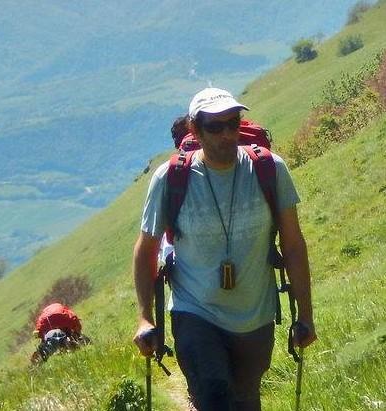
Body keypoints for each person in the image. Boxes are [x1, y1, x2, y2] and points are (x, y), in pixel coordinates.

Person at [132, 87, 317, 410]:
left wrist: (306, 315)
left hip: (254, 318)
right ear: (195, 130)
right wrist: (145, 318)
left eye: (233, 123)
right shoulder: (170, 178)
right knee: (215, 395)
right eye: (215, 127)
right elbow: (146, 249)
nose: (227, 134)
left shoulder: (270, 170)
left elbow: (293, 244)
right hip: (194, 311)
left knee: (245, 401)